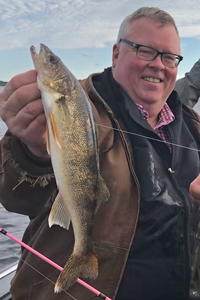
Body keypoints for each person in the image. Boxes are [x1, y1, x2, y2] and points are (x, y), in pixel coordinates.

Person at [0, 6, 200, 300]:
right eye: (145, 50)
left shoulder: (192, 126)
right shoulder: (77, 108)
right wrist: (31, 150)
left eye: (169, 57)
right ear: (116, 53)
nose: (159, 65)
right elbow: (17, 197)